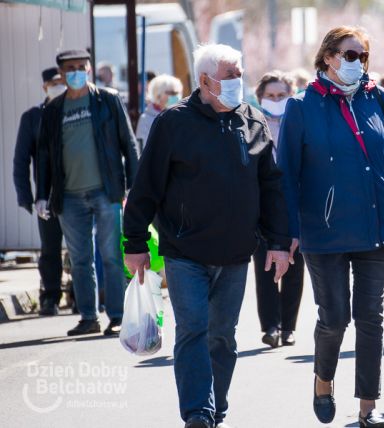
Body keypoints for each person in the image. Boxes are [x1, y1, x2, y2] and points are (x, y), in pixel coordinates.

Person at [122, 43, 291, 428]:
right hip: (185, 251)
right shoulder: (173, 123)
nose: (237, 81)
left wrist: (279, 242)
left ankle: (217, 407)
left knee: (223, 337)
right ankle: (198, 411)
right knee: (194, 329)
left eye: (239, 74)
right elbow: (146, 187)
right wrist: (134, 244)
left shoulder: (254, 120)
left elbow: (271, 187)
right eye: (229, 75)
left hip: (235, 252)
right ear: (204, 80)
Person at [278, 26, 384, 428]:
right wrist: (286, 232)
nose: (356, 62)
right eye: (349, 54)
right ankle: (323, 380)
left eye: (362, 55)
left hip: (377, 226)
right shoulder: (301, 105)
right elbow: (286, 174)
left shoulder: (381, 99)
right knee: (335, 316)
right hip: (322, 232)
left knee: (370, 317)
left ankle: (368, 405)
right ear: (328, 57)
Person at [36, 49, 139, 336]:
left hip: (105, 191)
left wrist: (134, 188)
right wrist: (42, 194)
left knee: (111, 256)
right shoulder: (54, 110)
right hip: (68, 195)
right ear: (62, 73)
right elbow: (44, 155)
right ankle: (88, 317)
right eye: (72, 68)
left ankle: (117, 316)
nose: (78, 71)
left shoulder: (107, 100)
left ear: (90, 69)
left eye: (83, 66)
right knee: (80, 259)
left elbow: (128, 144)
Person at [253, 70, 305, 348]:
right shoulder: (251, 123)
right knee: (265, 266)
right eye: (270, 96)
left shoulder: (299, 122)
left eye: (281, 95)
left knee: (295, 266)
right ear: (260, 97)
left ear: (291, 95)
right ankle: (270, 326)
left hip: (295, 202)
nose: (275, 100)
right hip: (263, 205)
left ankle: (288, 327)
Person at [13, 67, 66, 316]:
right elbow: (21, 159)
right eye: (53, 83)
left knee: (82, 248)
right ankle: (50, 296)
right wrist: (25, 196)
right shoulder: (34, 116)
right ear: (44, 86)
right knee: (50, 248)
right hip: (47, 194)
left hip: (79, 189)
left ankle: (82, 294)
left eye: (61, 81)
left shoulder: (75, 109)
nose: (58, 86)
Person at [136, 74, 183, 149]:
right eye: (171, 93)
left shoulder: (181, 117)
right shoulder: (146, 119)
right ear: (158, 95)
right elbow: (142, 149)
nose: (175, 97)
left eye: (177, 93)